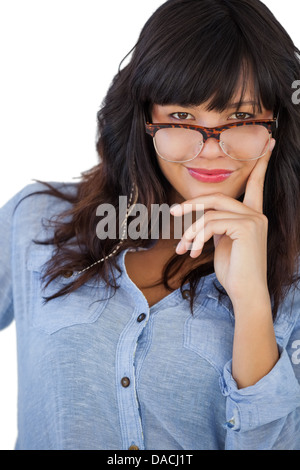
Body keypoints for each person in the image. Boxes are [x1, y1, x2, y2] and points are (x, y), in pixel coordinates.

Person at [1, 0, 300, 451]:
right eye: (182, 118)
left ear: (278, 124)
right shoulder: (37, 220)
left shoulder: (293, 274)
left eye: (241, 119)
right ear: (145, 118)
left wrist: (253, 302)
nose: (211, 150)